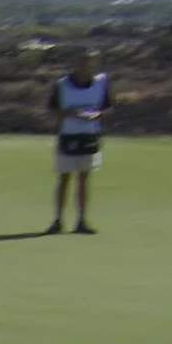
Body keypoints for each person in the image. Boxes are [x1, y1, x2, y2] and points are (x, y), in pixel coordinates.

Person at [48, 50, 112, 235]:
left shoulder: (101, 83)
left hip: (90, 135)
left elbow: (108, 108)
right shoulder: (62, 85)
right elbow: (54, 110)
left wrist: (97, 115)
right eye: (83, 63)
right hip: (68, 135)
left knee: (84, 179)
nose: (86, 67)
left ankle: (81, 221)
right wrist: (71, 113)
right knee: (64, 178)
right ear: (75, 64)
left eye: (90, 63)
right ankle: (58, 220)